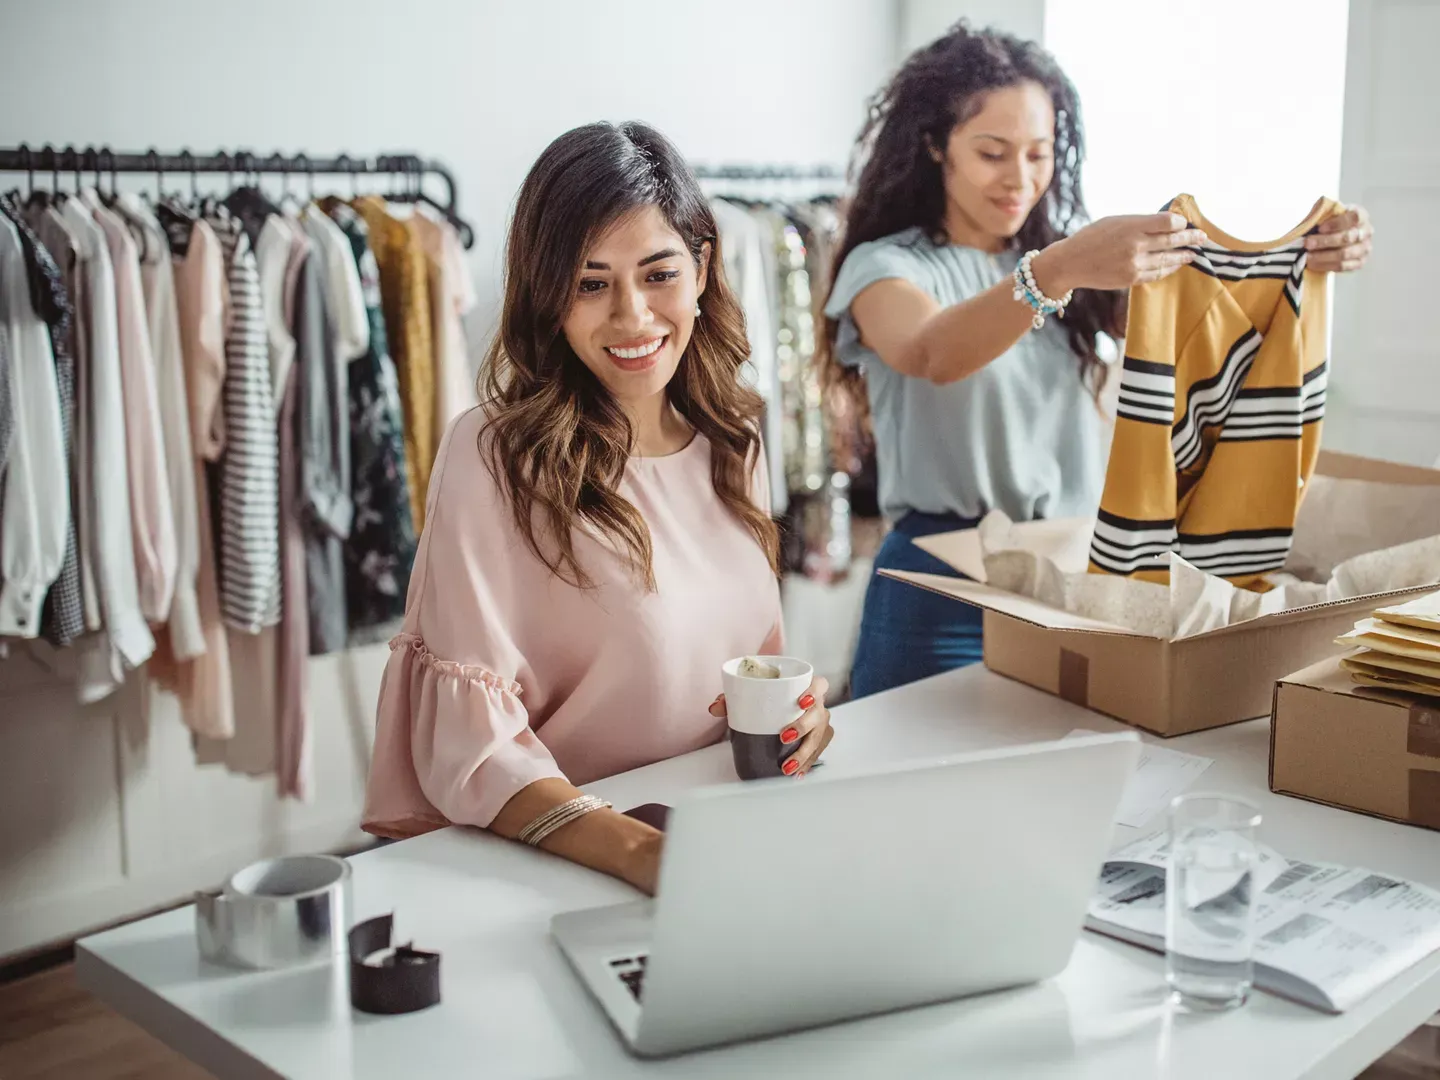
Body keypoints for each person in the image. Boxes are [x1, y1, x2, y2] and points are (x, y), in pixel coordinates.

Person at [819, 22, 1375, 698]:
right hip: (941, 588)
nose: (1019, 179)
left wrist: (1310, 253)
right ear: (936, 147)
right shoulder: (888, 266)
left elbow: (1208, 317)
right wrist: (1056, 271)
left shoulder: (1074, 268)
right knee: (908, 787)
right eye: (992, 152)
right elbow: (932, 351)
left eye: (1039, 153)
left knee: (1058, 787)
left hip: (1071, 578)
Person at [362, 122, 833, 896]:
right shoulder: (494, 457)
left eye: (658, 275)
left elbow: (749, 666)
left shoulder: (732, 436)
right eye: (591, 283)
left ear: (703, 267)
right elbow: (473, 747)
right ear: (548, 296)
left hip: (724, 841)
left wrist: (802, 717)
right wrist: (641, 855)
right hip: (559, 868)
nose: (632, 318)